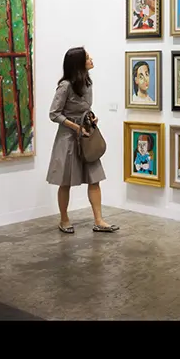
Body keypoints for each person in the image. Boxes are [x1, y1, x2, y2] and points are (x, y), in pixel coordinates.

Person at [47, 47, 119, 234]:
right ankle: (64, 219)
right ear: (78, 63)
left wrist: (91, 118)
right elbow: (54, 114)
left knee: (95, 179)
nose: (91, 59)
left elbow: (85, 108)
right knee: (65, 181)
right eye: (87, 57)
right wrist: (75, 127)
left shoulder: (87, 83)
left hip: (87, 137)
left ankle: (99, 220)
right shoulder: (65, 86)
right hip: (68, 139)